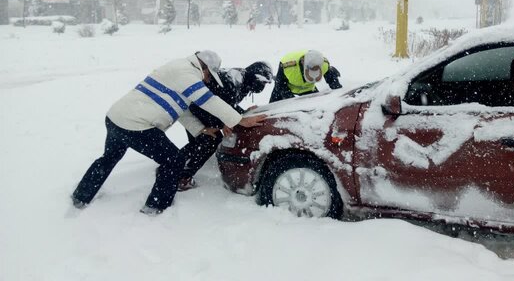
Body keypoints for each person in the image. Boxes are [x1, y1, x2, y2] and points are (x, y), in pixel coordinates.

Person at [71, 51, 266, 215]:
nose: (208, 80)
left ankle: (81, 195)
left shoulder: (177, 68)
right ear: (204, 67)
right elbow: (208, 100)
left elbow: (183, 109)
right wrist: (239, 119)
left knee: (109, 157)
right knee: (173, 161)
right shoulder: (187, 73)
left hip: (116, 118)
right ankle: (156, 206)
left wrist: (201, 129)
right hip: (137, 126)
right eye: (209, 76)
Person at [178, 61, 273, 190]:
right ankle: (182, 176)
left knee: (198, 143)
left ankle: (172, 164)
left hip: (199, 108)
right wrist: (220, 124)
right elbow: (206, 104)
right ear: (255, 77)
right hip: (193, 108)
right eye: (263, 83)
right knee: (210, 140)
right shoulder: (231, 82)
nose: (263, 87)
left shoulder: (243, 80)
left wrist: (241, 112)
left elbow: (227, 103)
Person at [269, 50, 342, 103]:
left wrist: (339, 94)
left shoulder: (324, 64)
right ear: (303, 63)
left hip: (308, 89)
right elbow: (280, 84)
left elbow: (333, 81)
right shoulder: (288, 65)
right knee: (272, 109)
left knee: (317, 107)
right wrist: (291, 101)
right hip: (286, 88)